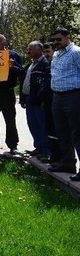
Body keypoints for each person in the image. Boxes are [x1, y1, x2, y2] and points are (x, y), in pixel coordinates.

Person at [48, 27, 80, 179]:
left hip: (73, 96)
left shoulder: (76, 52)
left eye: (59, 39)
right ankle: (68, 163)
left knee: (77, 132)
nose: (56, 42)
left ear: (68, 37)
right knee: (62, 132)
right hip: (57, 97)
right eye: (54, 40)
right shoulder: (56, 54)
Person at [19, 41, 51, 161]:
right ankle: (38, 147)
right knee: (32, 125)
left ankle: (46, 151)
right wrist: (22, 98)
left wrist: (43, 99)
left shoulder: (45, 63)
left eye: (30, 49)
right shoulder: (31, 64)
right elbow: (25, 80)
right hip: (29, 100)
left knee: (42, 125)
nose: (28, 51)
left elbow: (46, 83)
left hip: (39, 101)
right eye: (28, 49)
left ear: (39, 50)